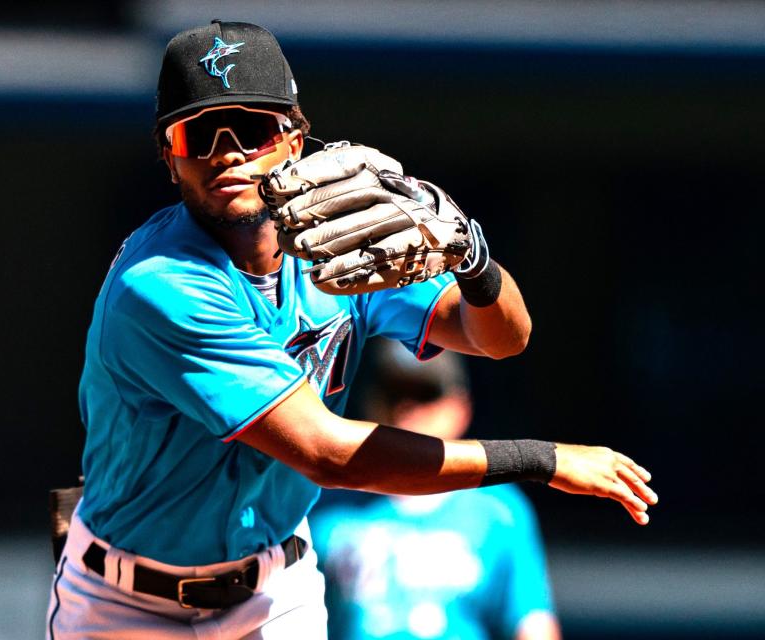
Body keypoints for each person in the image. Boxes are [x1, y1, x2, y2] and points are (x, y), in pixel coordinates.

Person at [46, 20, 656, 639]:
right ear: (169, 159)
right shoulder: (158, 283)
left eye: (252, 129)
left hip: (273, 588)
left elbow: (501, 338)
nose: (227, 152)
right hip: (126, 604)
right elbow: (326, 453)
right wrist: (539, 460)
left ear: (294, 139)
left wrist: (472, 257)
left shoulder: (339, 237)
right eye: (198, 134)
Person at [312, 339, 561, 640]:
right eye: (395, 393)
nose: (408, 409)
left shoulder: (497, 510)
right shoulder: (324, 503)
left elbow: (532, 622)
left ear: (460, 407)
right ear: (371, 401)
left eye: (425, 394)